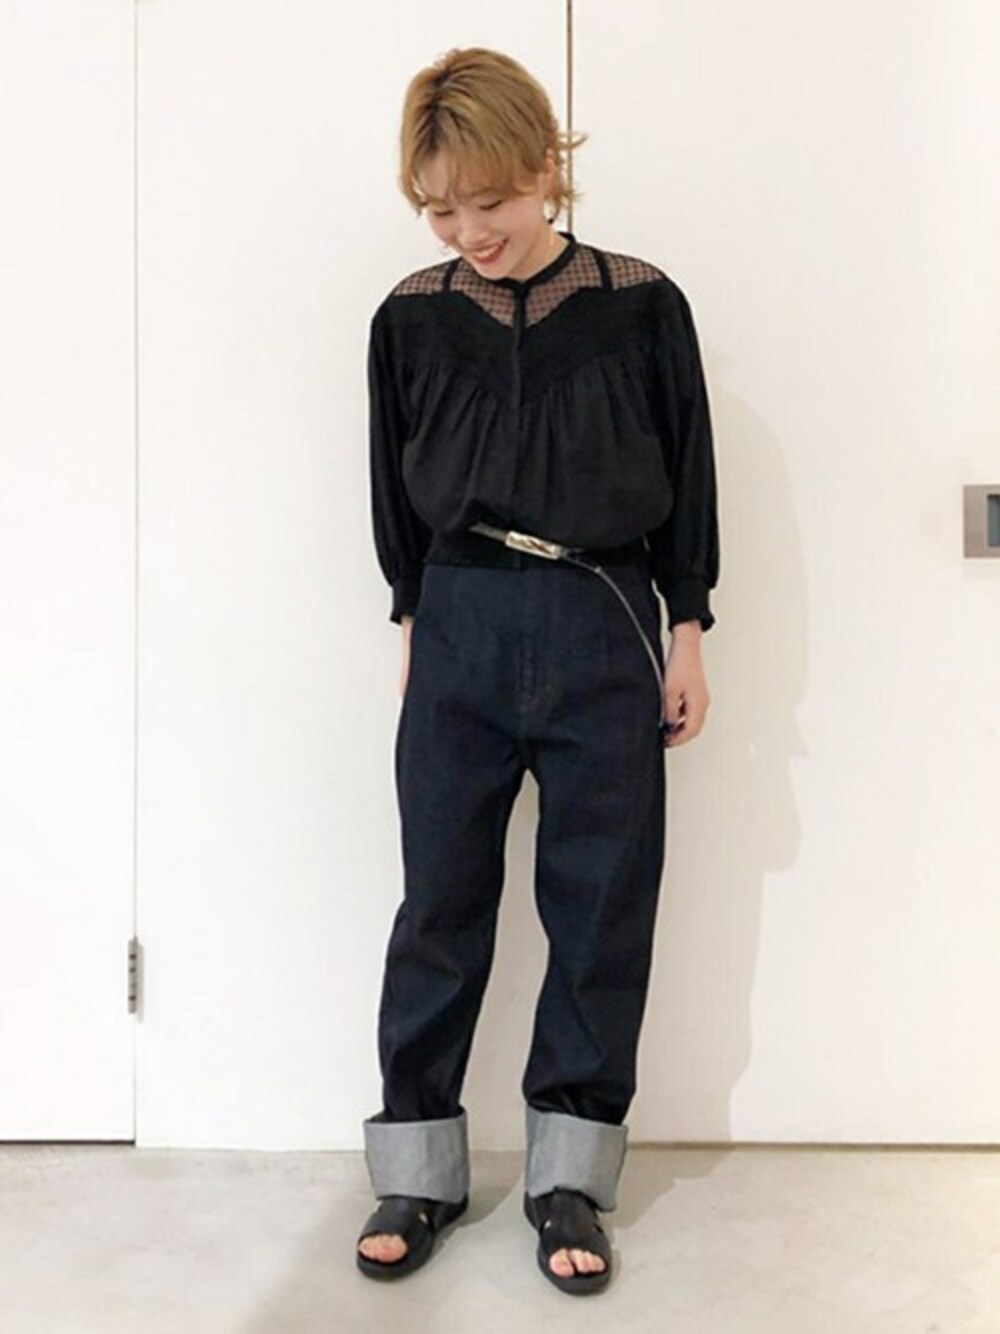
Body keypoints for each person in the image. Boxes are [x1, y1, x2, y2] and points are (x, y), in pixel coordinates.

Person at [355, 45, 720, 1295]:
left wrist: (686, 626)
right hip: (458, 616)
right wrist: (415, 621)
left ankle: (569, 1176)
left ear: (546, 168)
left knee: (600, 903)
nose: (470, 232)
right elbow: (389, 486)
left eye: (491, 200)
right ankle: (418, 1165)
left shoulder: (641, 302)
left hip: (602, 611)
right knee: (438, 902)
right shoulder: (409, 315)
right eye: (439, 210)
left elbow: (690, 469)